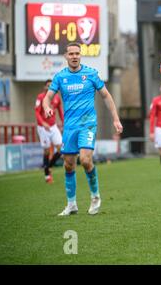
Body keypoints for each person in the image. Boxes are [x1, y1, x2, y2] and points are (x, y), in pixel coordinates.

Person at [42, 42, 123, 216]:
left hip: (88, 123)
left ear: (81, 55)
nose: (74, 56)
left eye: (77, 53)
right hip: (70, 127)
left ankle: (95, 197)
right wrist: (47, 107)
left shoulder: (91, 74)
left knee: (85, 160)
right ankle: (71, 204)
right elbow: (47, 98)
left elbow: (106, 96)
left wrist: (115, 119)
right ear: (66, 56)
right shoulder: (60, 77)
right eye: (71, 54)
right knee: (68, 165)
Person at [34, 79, 64, 183]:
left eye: (51, 85)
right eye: (48, 85)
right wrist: (43, 123)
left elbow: (60, 111)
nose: (49, 87)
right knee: (46, 150)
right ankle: (47, 175)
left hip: (53, 126)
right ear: (44, 87)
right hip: (43, 127)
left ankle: (49, 166)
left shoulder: (56, 98)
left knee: (61, 149)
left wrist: (64, 122)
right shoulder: (40, 97)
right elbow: (37, 113)